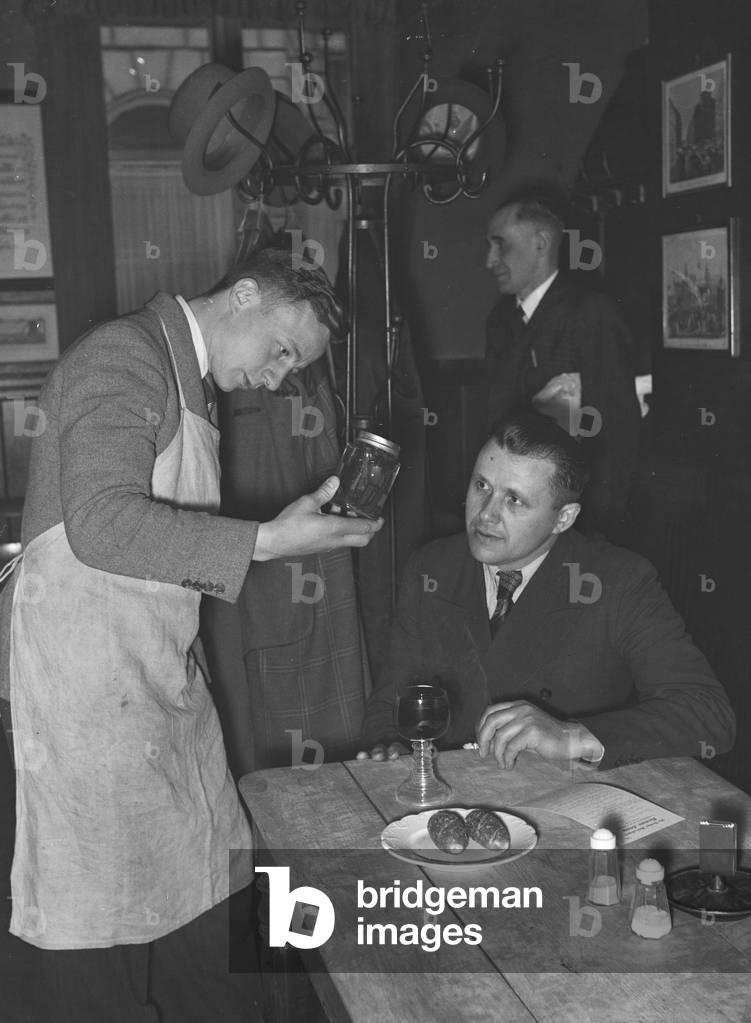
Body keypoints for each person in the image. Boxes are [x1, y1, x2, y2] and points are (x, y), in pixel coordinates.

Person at [0, 248, 381, 1021]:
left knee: (208, 889)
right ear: (243, 294)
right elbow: (102, 524)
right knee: (92, 951)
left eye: (293, 366)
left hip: (150, 689)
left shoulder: (187, 383)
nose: (276, 376)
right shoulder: (125, 354)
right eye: (281, 349)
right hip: (75, 711)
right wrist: (267, 541)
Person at [359, 413, 734, 771]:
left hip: (564, 795)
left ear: (563, 518)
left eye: (514, 500)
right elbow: (391, 704)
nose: (486, 514)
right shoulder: (431, 567)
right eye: (482, 486)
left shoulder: (619, 581)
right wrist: (390, 750)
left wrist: (574, 736)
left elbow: (709, 714)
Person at [484, 186, 641, 541]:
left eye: (500, 245)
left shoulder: (591, 313)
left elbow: (617, 436)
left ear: (541, 244)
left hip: (575, 521)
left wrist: (598, 530)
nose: (490, 261)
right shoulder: (500, 321)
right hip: (512, 516)